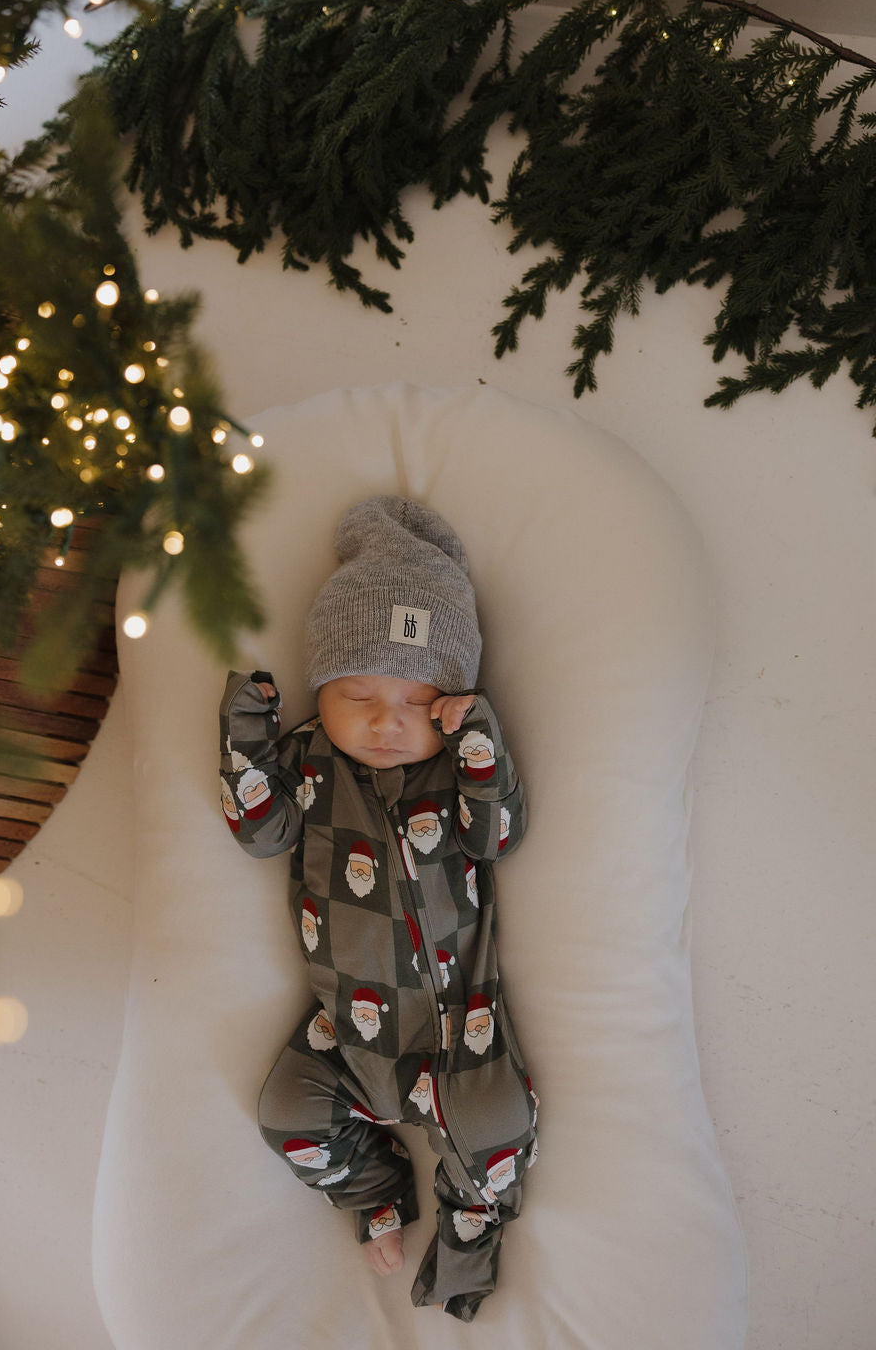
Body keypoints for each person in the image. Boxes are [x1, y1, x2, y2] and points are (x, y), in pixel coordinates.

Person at [218, 496, 537, 1322]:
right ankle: (376, 1188)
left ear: (451, 699)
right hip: (343, 1034)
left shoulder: (454, 769)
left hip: (456, 1031)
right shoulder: (308, 759)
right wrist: (248, 733)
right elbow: (259, 833)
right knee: (282, 1111)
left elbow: (497, 835)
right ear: (321, 687)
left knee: (495, 1120)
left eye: (415, 700)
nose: (385, 722)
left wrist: (478, 745)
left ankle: (471, 1229)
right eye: (356, 691)